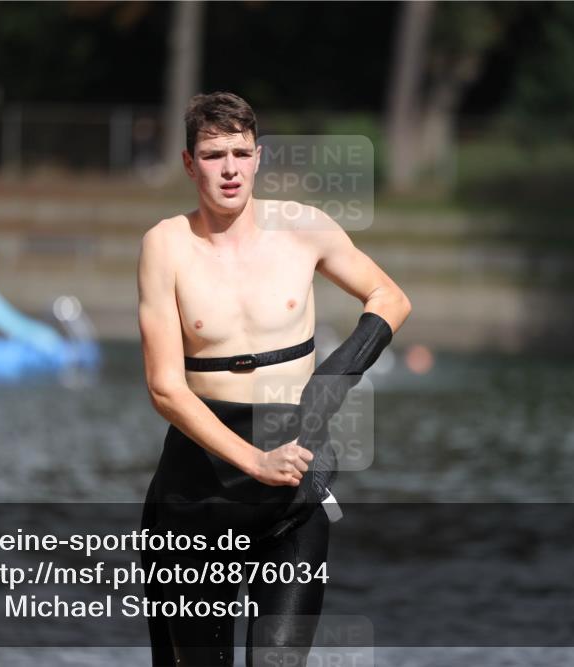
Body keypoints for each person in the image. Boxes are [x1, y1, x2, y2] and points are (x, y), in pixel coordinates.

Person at [137, 91, 411, 666]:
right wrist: (254, 460)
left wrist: (334, 378)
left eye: (241, 152)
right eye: (214, 155)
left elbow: (390, 296)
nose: (230, 168)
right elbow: (165, 388)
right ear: (190, 164)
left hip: (292, 499)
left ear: (258, 156)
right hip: (198, 497)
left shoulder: (304, 229)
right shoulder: (166, 245)